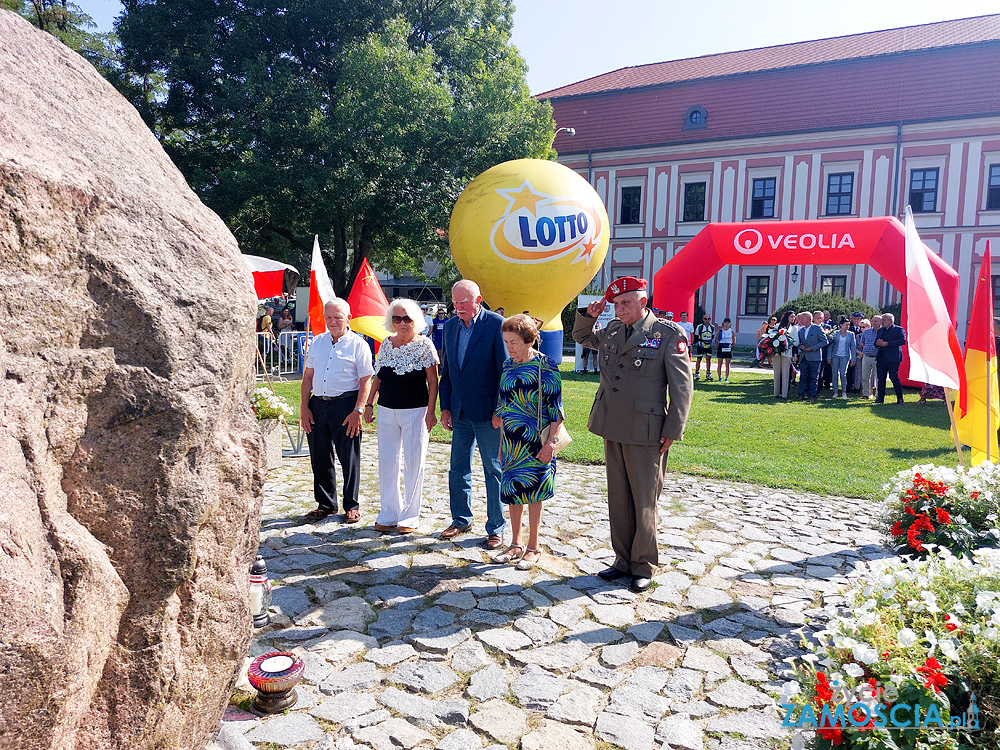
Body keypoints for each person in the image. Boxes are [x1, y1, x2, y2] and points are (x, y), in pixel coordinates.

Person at [573, 276, 694, 591]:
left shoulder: (667, 334)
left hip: (647, 429)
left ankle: (643, 565)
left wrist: (673, 429)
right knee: (619, 498)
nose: (619, 308)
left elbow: (682, 388)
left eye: (625, 302)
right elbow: (581, 335)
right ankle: (622, 560)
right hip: (611, 423)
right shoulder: (612, 330)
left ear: (643, 302)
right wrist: (591, 311)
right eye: (615, 304)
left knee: (644, 500)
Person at [490, 315, 564, 570]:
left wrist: (551, 444)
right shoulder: (508, 365)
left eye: (513, 341)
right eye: (506, 341)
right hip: (511, 440)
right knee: (512, 493)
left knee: (534, 492)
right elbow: (505, 405)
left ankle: (533, 546)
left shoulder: (546, 365)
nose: (509, 346)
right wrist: (502, 444)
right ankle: (515, 543)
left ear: (529, 340)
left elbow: (556, 410)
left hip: (537, 441)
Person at [439, 279, 508, 549]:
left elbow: (505, 371)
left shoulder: (495, 324)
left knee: (493, 468)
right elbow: (448, 370)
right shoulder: (451, 326)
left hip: (488, 412)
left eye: (463, 302)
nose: (458, 307)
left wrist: (500, 409)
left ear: (478, 301)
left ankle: (496, 527)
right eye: (455, 302)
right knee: (457, 468)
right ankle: (461, 518)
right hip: (459, 411)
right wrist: (445, 407)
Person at [364, 298, 439, 534]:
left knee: (414, 463)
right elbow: (379, 376)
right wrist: (369, 404)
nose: (402, 323)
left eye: (406, 318)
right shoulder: (386, 343)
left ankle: (410, 515)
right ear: (391, 321)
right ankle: (389, 512)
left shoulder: (425, 345)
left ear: (415, 319)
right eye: (397, 318)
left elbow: (433, 381)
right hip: (386, 410)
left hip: (415, 411)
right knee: (387, 462)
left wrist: (431, 411)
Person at [300, 299, 374, 523]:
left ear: (348, 318)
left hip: (346, 406)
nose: (332, 321)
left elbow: (366, 380)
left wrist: (358, 410)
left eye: (338, 317)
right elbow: (308, 377)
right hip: (318, 405)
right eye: (328, 317)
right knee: (320, 456)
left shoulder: (358, 345)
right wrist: (304, 407)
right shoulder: (317, 342)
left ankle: (351, 505)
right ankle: (325, 504)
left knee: (348, 457)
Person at [875, 312, 907, 404]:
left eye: (884, 320)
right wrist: (878, 343)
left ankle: (900, 399)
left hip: (893, 358)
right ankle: (880, 399)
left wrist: (887, 344)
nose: (882, 322)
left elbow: (903, 341)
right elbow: (875, 343)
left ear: (891, 320)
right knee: (881, 378)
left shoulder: (898, 329)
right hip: (881, 357)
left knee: (894, 377)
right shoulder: (881, 330)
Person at [797, 311, 826, 402]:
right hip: (804, 357)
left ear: (808, 319)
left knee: (814, 378)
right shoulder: (801, 330)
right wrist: (800, 346)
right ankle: (801, 394)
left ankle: (812, 396)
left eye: (802, 318)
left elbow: (824, 341)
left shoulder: (817, 328)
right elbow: (798, 342)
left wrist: (813, 348)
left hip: (815, 357)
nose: (800, 320)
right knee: (803, 377)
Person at [828, 316, 857, 399]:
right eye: (845, 325)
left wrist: (853, 359)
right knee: (835, 374)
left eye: (848, 325)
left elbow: (853, 347)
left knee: (843, 374)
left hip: (845, 356)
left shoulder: (851, 334)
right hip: (835, 356)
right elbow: (831, 346)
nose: (847, 327)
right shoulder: (835, 333)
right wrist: (829, 357)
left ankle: (844, 391)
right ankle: (835, 391)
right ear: (840, 325)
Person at [773, 310, 796, 398]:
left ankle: (784, 394)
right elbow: (772, 336)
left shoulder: (794, 329)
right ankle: (776, 393)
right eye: (791, 316)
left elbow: (796, 341)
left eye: (794, 317)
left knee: (786, 373)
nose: (793, 318)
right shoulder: (777, 326)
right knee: (777, 373)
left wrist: (789, 342)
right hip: (777, 352)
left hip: (787, 353)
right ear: (787, 317)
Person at [860, 314, 881, 398]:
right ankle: (865, 394)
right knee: (865, 376)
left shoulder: (883, 331)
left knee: (878, 378)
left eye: (875, 321)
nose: (873, 322)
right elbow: (862, 342)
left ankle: (878, 394)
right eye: (872, 321)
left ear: (881, 322)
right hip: (867, 356)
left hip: (878, 357)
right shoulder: (866, 331)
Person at [693, 313, 715, 381]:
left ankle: (708, 373)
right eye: (705, 319)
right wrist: (702, 341)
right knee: (699, 359)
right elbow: (696, 337)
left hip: (708, 346)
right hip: (701, 345)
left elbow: (712, 336)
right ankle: (697, 373)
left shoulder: (712, 327)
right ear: (703, 319)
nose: (707, 320)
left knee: (708, 359)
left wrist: (709, 342)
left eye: (708, 319)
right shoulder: (699, 327)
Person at [847, 312, 864, 393]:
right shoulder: (848, 328)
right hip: (850, 353)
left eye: (859, 319)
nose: (857, 320)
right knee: (850, 371)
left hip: (861, 353)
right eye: (855, 319)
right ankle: (849, 387)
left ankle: (859, 387)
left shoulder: (864, 328)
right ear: (852, 319)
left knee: (859, 371)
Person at [716, 317, 734, 383]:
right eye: (725, 323)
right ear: (723, 323)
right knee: (720, 363)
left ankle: (726, 377)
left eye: (728, 323)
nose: (727, 324)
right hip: (721, 346)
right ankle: (719, 377)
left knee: (727, 364)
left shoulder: (731, 331)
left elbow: (733, 340)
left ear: (730, 324)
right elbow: (716, 339)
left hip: (728, 347)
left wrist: (730, 346)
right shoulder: (720, 331)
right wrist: (718, 346)